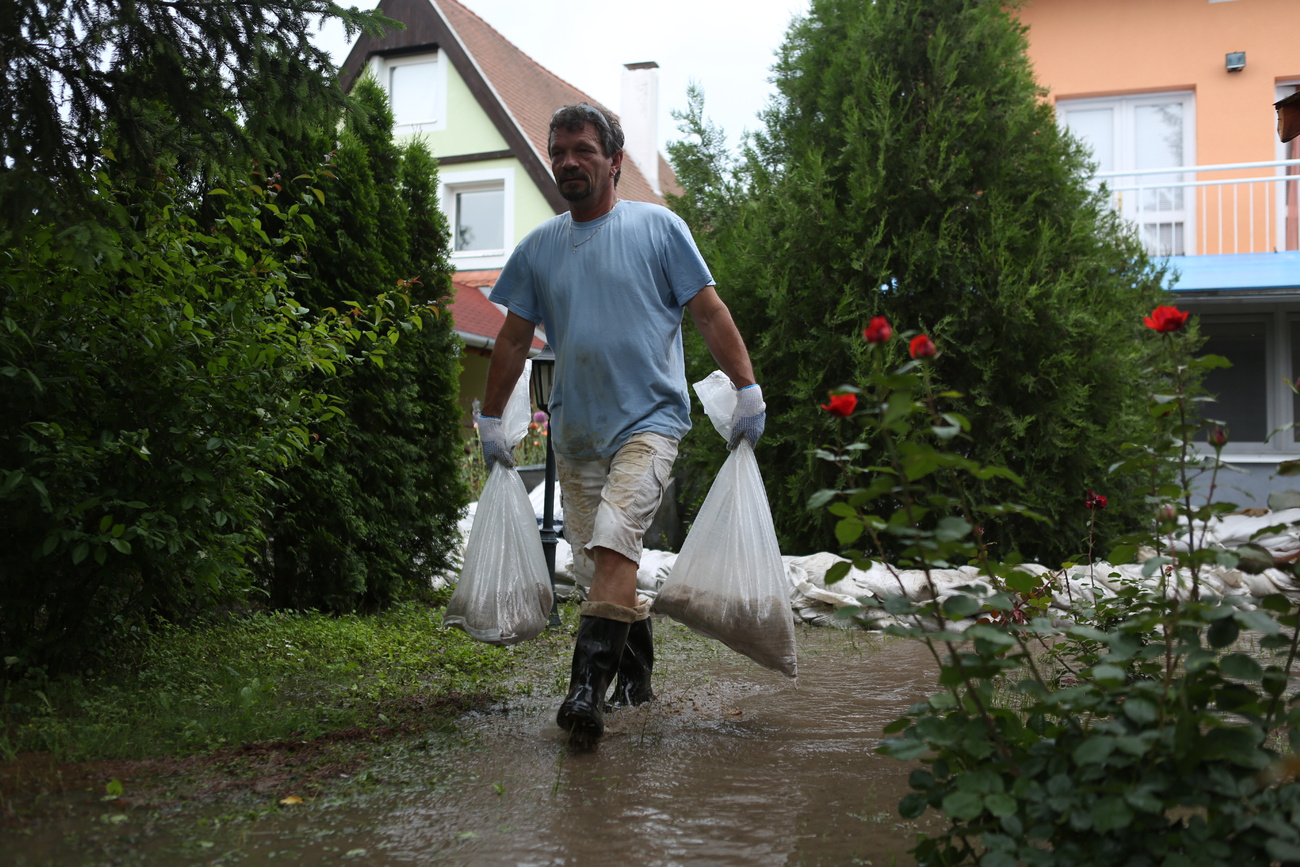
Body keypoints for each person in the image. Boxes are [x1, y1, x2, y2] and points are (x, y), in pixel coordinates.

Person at [476, 103, 764, 746]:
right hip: (576, 435)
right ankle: (636, 680)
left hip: (651, 422)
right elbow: (512, 338)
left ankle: (585, 691)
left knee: (612, 542)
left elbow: (710, 314)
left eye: (582, 149)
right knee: (599, 566)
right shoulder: (538, 248)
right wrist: (493, 418)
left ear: (615, 160)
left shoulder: (659, 229)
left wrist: (747, 389)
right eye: (559, 152)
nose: (568, 162)